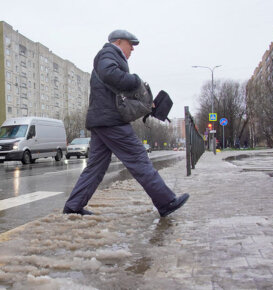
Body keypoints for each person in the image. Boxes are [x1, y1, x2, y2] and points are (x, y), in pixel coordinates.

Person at [62, 29, 189, 217]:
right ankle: (166, 201)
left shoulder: (109, 56)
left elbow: (114, 87)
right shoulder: (108, 53)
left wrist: (145, 101)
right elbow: (110, 74)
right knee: (138, 158)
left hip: (102, 120)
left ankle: (73, 207)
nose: (132, 49)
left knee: (95, 167)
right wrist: (136, 81)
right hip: (111, 120)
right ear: (119, 42)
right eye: (131, 44)